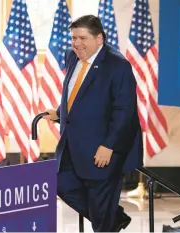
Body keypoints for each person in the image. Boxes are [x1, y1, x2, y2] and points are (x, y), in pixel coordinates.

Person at [44, 14, 143, 232]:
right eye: (73, 38)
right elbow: (76, 92)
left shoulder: (118, 66)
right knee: (60, 184)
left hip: (105, 148)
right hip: (73, 144)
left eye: (82, 38)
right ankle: (113, 217)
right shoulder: (73, 56)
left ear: (99, 39)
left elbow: (124, 112)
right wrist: (60, 113)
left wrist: (109, 145)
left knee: (100, 209)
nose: (76, 43)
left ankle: (108, 220)